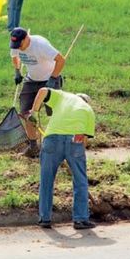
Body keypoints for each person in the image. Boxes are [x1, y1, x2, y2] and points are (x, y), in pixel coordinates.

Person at [30, 88, 96, 230]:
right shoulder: (89, 111)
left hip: (52, 139)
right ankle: (81, 219)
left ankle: (44, 218)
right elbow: (84, 141)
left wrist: (34, 112)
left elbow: (41, 90)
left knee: (46, 180)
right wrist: (74, 155)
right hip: (75, 140)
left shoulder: (63, 96)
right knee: (80, 180)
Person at [10, 27, 66, 158]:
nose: (18, 48)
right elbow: (14, 56)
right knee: (26, 113)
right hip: (31, 80)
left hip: (49, 80)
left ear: (26, 38)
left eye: (20, 44)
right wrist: (17, 71)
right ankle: (33, 147)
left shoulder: (40, 45)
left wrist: (53, 78)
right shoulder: (16, 44)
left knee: (54, 113)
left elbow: (61, 60)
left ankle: (59, 145)